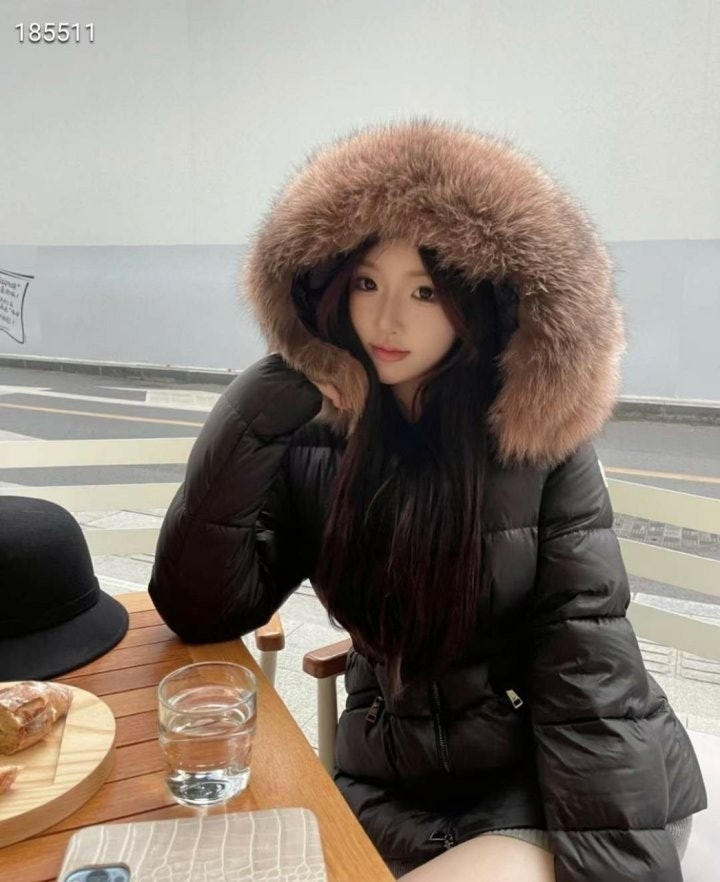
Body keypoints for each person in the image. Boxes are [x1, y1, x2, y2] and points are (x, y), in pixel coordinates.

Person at [149, 120, 706, 881]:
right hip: (392, 783)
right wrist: (247, 418)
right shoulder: (317, 433)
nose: (388, 320)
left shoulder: (533, 442)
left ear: (478, 301)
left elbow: (588, 672)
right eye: (367, 283)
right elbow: (203, 609)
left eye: (425, 291)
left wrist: (618, 866)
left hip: (551, 786)